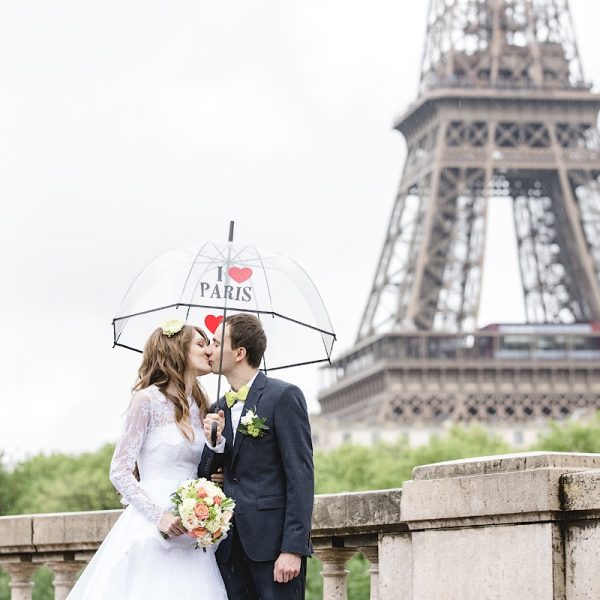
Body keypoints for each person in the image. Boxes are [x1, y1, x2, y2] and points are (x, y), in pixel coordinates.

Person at [67, 320, 228, 600]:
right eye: (200, 345)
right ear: (177, 350)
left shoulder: (203, 407)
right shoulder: (146, 401)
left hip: (192, 530)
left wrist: (216, 445)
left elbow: (202, 468)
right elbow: (119, 471)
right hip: (152, 524)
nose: (208, 351)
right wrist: (159, 517)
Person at [199, 313, 314, 600]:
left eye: (215, 342)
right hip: (228, 548)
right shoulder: (217, 407)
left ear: (240, 353)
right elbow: (204, 477)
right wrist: (216, 444)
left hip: (274, 548)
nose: (209, 350)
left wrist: (293, 548)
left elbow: (301, 477)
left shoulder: (283, 396)